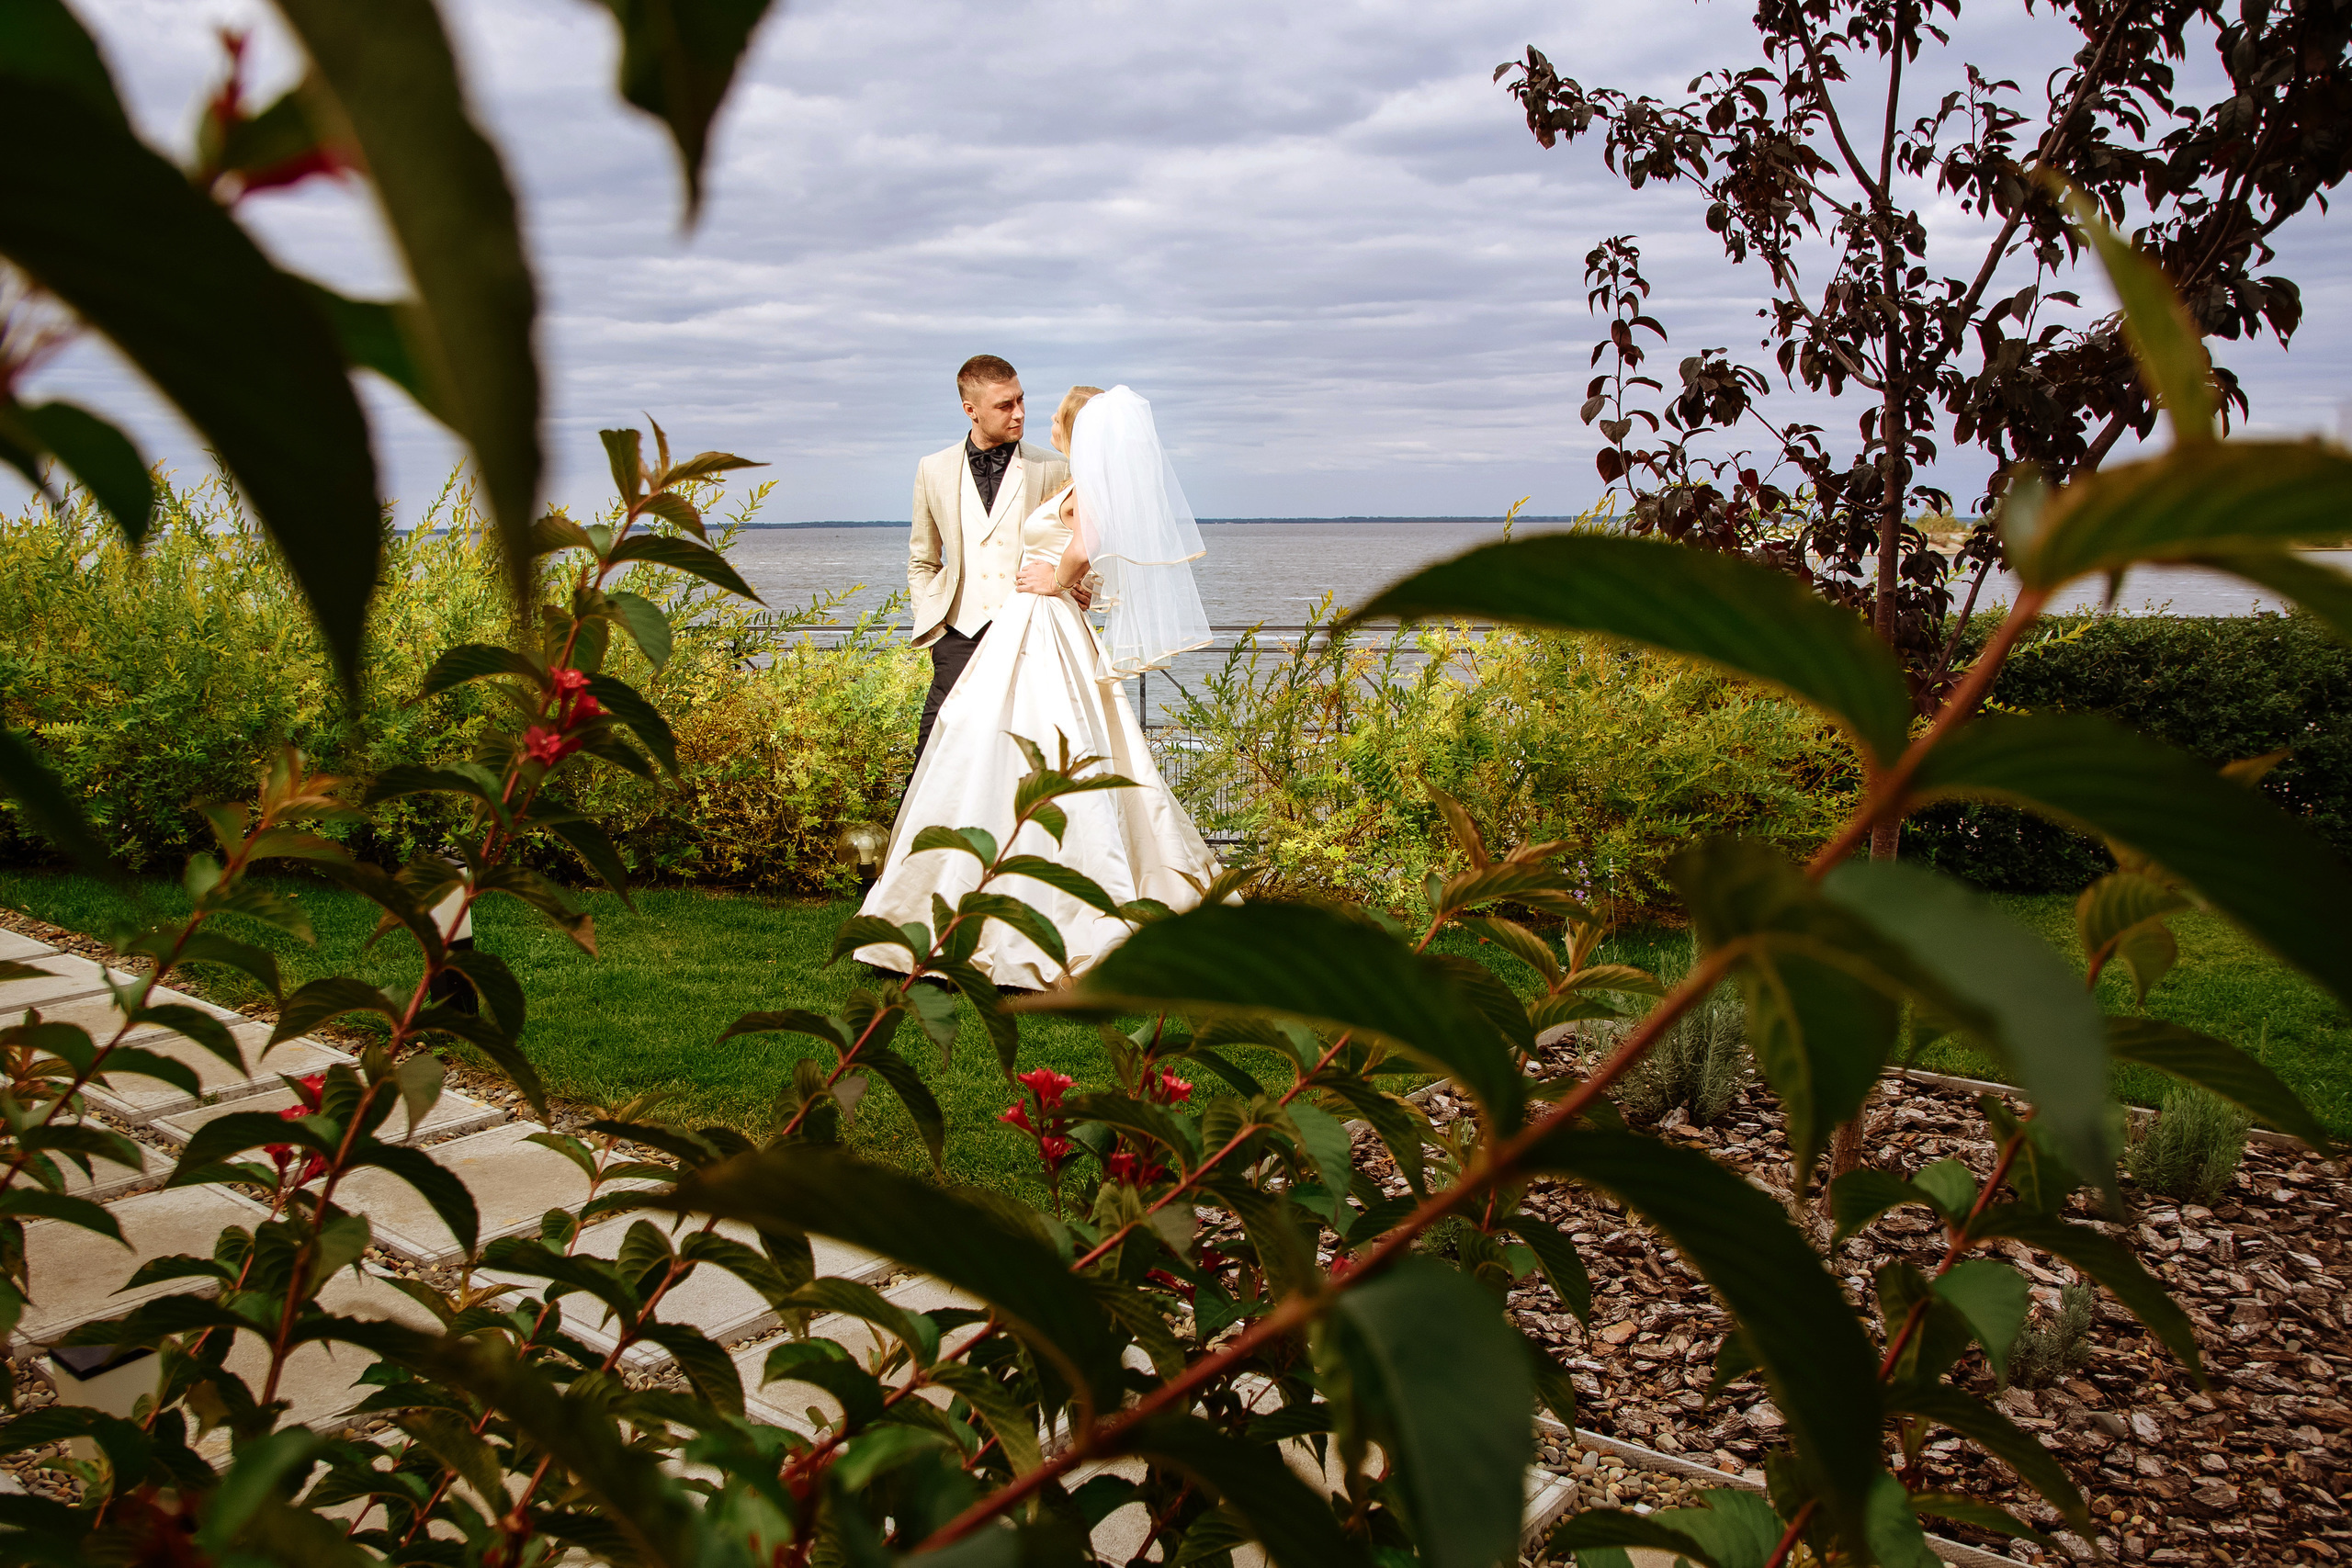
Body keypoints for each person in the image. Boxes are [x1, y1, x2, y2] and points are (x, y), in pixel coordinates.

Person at [857, 384, 1221, 989]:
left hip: (1042, 626)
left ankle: (1027, 919)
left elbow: (1090, 543)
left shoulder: (1078, 483)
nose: (1040, 419)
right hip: (1016, 627)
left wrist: (1060, 576)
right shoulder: (1072, 482)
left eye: (1053, 414)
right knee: (988, 747)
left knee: (1029, 747)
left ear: (1081, 430)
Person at [906, 355, 1075, 758]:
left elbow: (1086, 541)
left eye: (1020, 400)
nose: (1018, 414)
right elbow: (922, 559)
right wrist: (934, 628)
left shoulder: (1053, 466)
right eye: (1004, 405)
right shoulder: (932, 469)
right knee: (936, 754)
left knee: (1030, 755)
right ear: (971, 410)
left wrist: (1076, 585)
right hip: (958, 637)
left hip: (1031, 635)